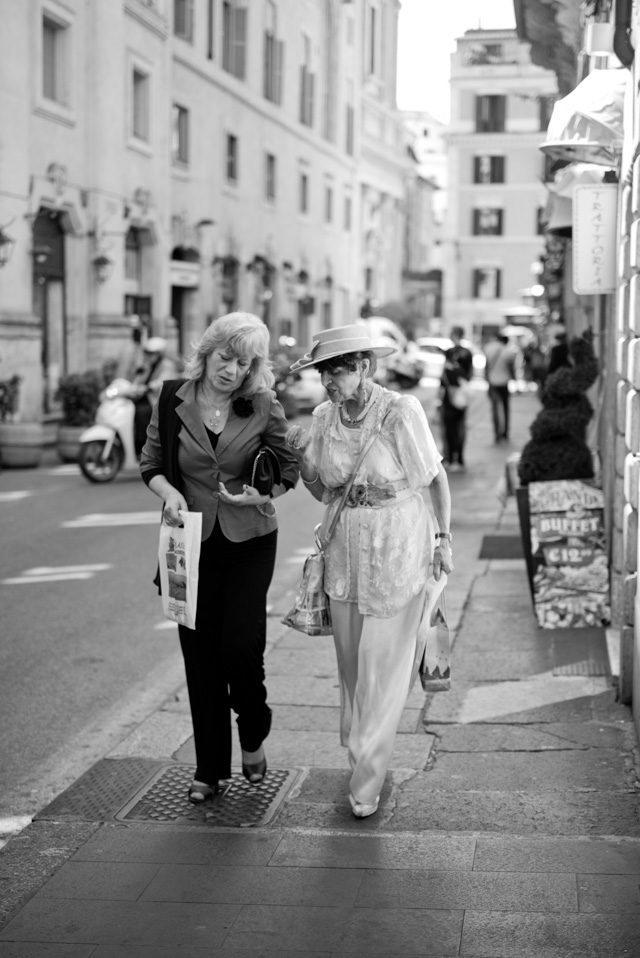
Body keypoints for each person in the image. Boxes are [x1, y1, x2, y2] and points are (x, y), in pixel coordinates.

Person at [285, 324, 453, 819]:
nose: (327, 381)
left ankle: (367, 781)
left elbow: (434, 478)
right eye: (323, 371)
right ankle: (361, 753)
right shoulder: (322, 417)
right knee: (353, 671)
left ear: (364, 367)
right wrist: (301, 457)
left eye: (336, 370)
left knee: (383, 671)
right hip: (344, 555)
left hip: (398, 548)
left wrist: (443, 539)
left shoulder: (401, 411)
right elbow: (324, 492)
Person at [139, 312, 299, 804]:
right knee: (200, 655)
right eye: (225, 357)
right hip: (189, 544)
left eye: (244, 362)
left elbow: (287, 467)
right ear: (207, 352)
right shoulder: (171, 398)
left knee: (240, 646)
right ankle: (210, 767)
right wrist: (169, 492)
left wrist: (261, 493)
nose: (232, 370)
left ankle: (253, 728)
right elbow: (150, 463)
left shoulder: (263, 403)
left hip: (250, 539)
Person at [132, 337, 179, 455]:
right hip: (145, 398)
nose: (149, 356)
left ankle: (142, 444)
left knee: (142, 412)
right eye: (147, 353)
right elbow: (138, 381)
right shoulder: (148, 365)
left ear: (160, 354)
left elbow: (163, 381)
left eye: (152, 353)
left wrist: (149, 387)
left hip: (157, 401)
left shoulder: (167, 365)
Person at [440, 325, 473, 470]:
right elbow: (469, 375)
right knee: (460, 426)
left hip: (450, 395)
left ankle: (450, 456)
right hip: (462, 395)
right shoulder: (468, 353)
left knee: (449, 427)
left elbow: (443, 379)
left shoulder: (450, 352)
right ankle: (459, 458)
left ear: (454, 335)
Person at [484, 332, 518, 443]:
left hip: (493, 383)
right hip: (504, 383)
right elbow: (511, 369)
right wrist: (515, 381)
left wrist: (487, 378)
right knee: (505, 408)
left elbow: (486, 367)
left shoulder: (488, 349)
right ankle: (506, 432)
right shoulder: (509, 352)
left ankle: (496, 432)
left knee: (494, 409)